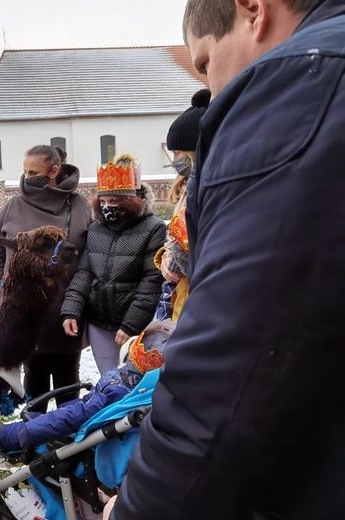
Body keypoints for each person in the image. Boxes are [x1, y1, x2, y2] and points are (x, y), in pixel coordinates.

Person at [114, 1, 345, 519]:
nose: (213, 92)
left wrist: (139, 508)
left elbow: (230, 379)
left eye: (204, 62)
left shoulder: (297, 91)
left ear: (253, 10)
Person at [0, 144, 91, 412]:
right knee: (35, 382)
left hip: (66, 309)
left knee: (69, 380)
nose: (27, 176)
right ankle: (34, 446)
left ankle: (69, 445)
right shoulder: (13, 207)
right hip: (24, 314)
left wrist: (78, 300)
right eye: (25, 171)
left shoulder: (78, 206)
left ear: (54, 171)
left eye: (33, 171)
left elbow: (90, 255)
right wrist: (2, 294)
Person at [0, 321, 171, 451]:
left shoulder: (119, 390)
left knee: (63, 417)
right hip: (90, 405)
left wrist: (27, 433)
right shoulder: (138, 386)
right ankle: (33, 422)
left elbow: (72, 418)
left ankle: (11, 435)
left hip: (82, 421)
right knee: (63, 411)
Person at [60, 152, 166, 375]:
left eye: (114, 202)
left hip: (135, 326)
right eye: (103, 202)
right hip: (100, 323)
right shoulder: (96, 229)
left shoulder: (153, 228)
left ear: (131, 200)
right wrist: (71, 310)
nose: (108, 207)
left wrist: (131, 325)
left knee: (134, 386)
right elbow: (85, 272)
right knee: (108, 383)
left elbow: (151, 281)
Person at [154, 88, 210, 321]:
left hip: (200, 300)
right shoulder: (184, 188)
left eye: (178, 152)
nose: (174, 159)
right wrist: (166, 258)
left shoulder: (209, 190)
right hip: (181, 296)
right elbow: (173, 238)